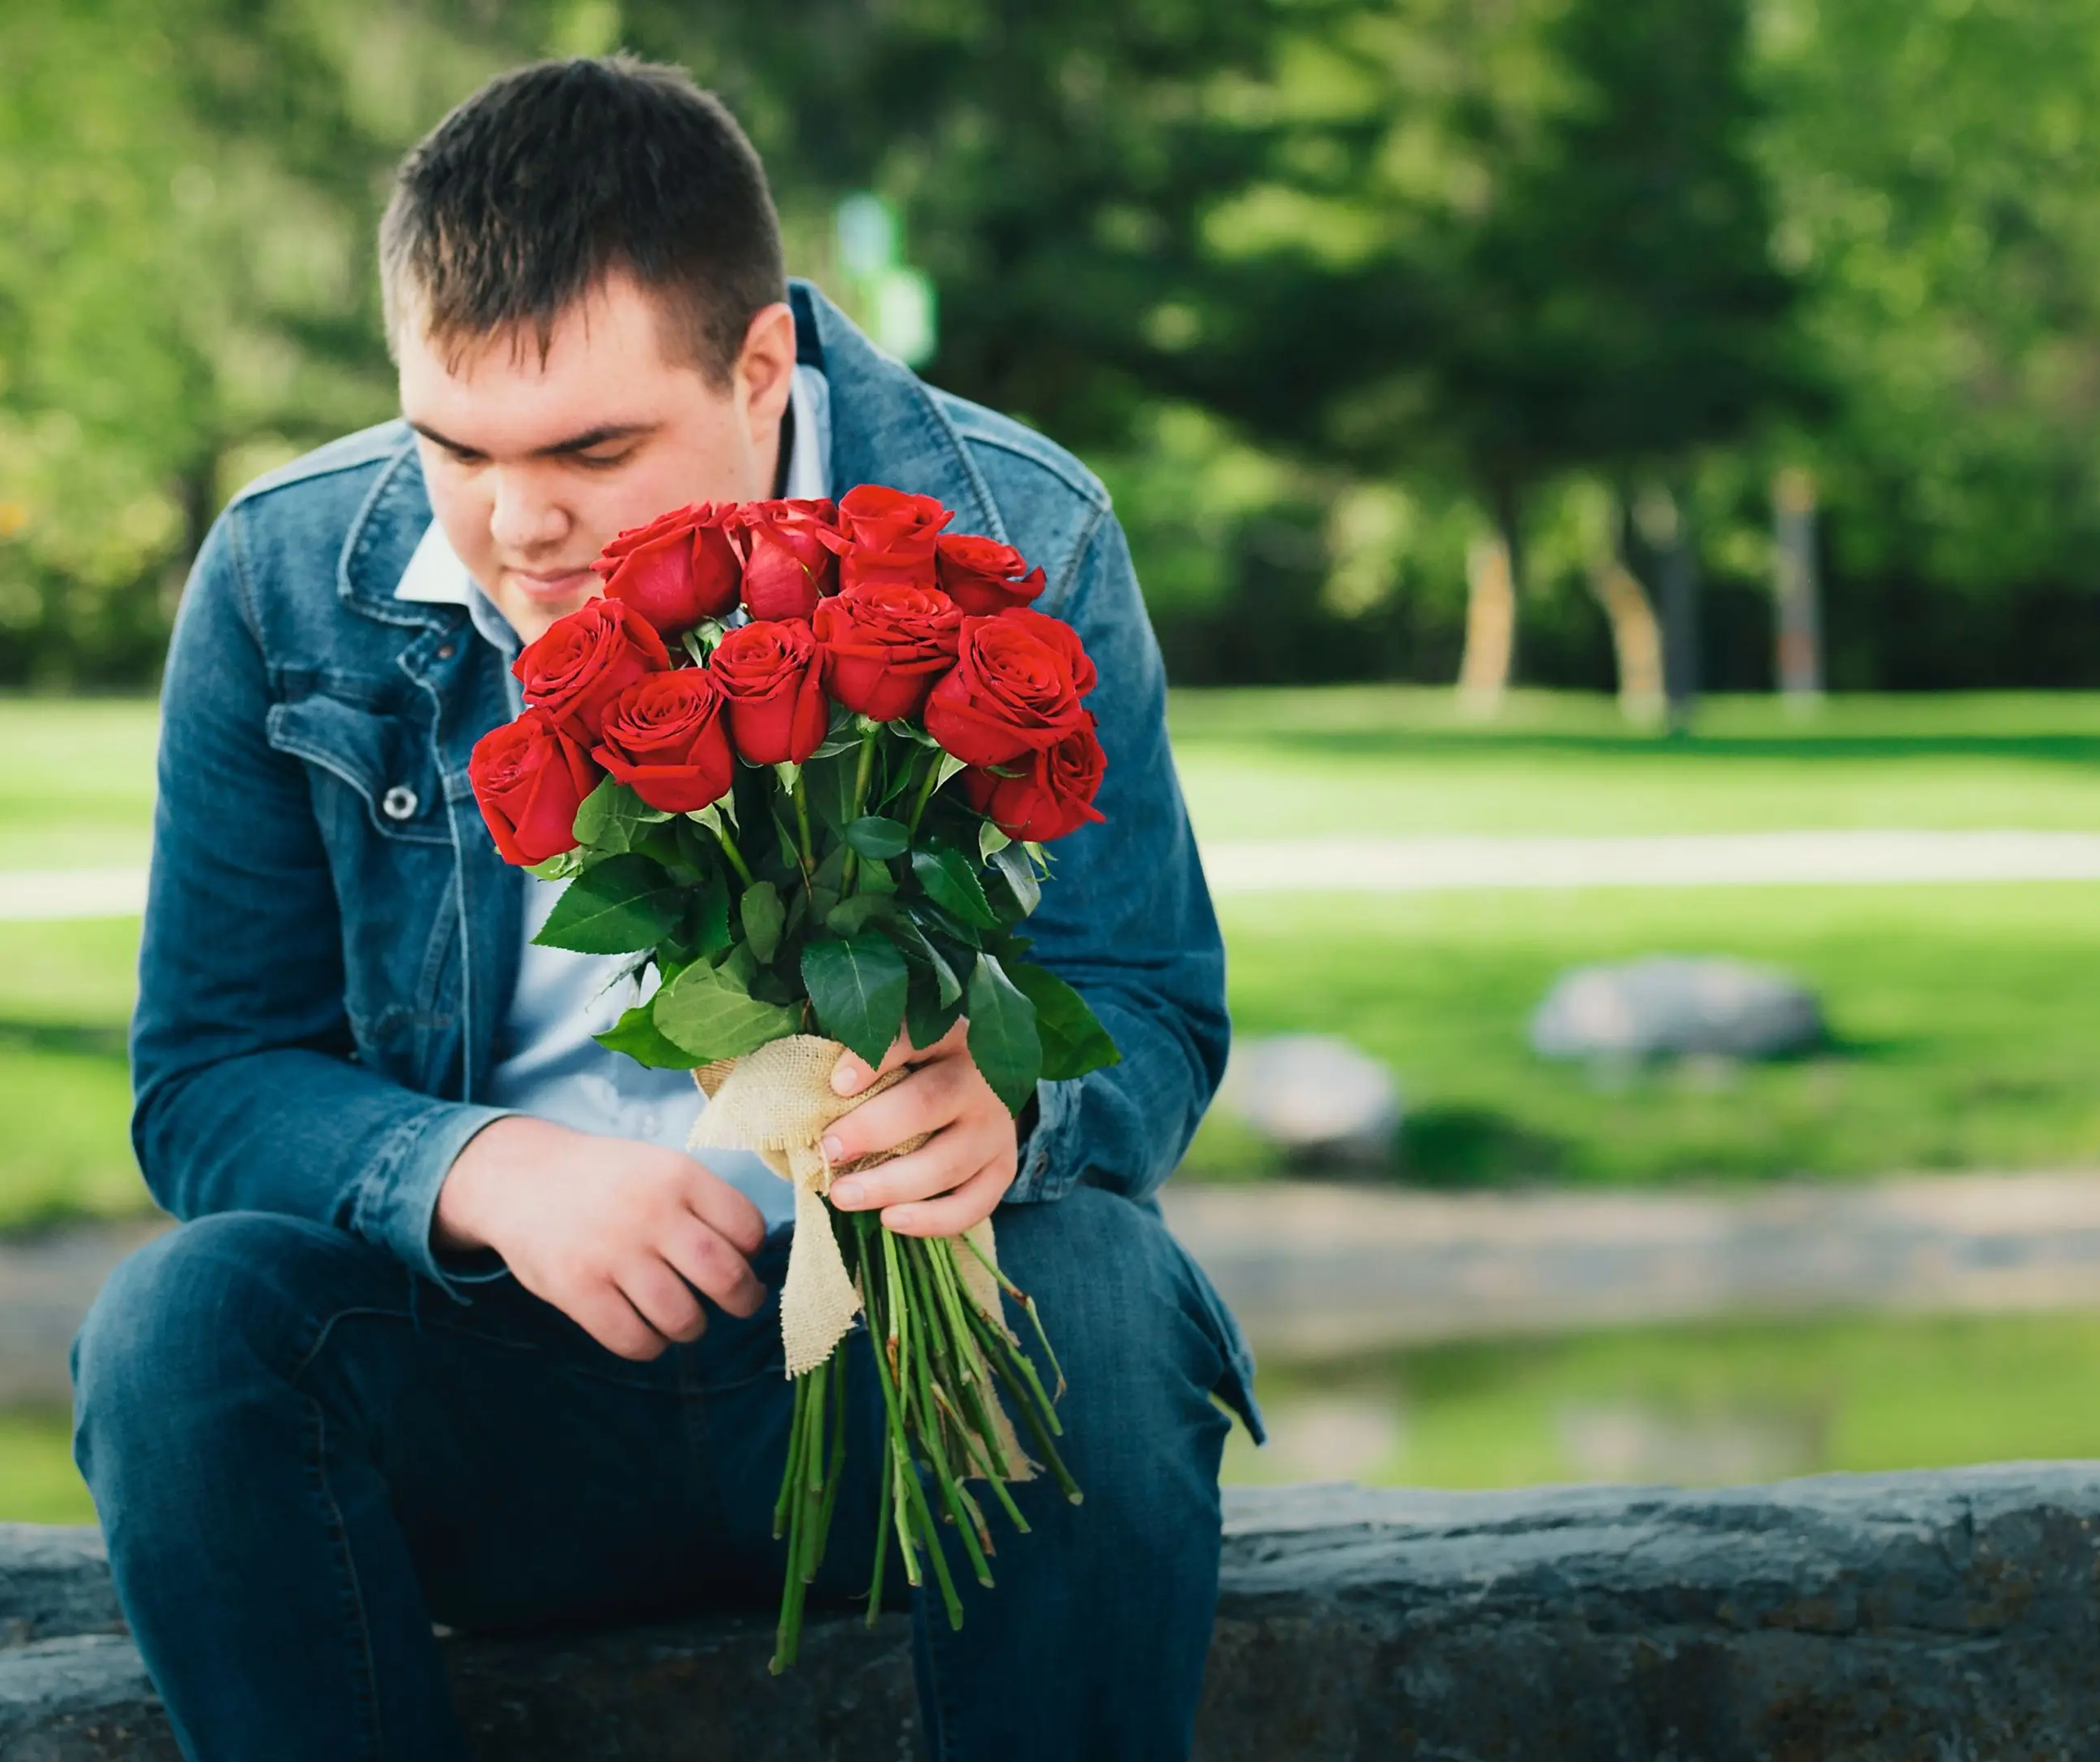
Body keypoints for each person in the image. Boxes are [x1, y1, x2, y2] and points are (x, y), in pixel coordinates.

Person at [71, 54, 1260, 1762]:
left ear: (760, 364)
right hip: (495, 1399)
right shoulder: (282, 575)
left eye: (594, 448)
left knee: (1103, 1285)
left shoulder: (1022, 532)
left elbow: (1151, 1001)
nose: (515, 523)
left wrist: (1008, 1108)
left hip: (901, 1397)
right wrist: (484, 1174)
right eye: (451, 446)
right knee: (178, 1329)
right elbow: (206, 1077)